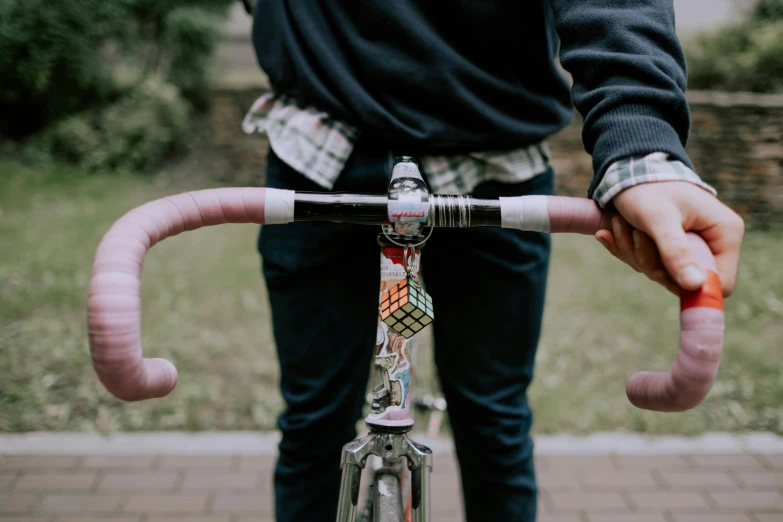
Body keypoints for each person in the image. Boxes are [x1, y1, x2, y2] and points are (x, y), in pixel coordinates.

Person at [241, 2, 745, 522]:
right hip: (318, 148)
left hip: (495, 157)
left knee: (495, 423)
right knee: (313, 423)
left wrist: (639, 143)